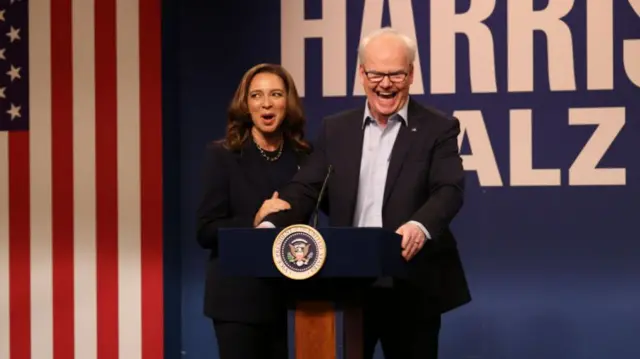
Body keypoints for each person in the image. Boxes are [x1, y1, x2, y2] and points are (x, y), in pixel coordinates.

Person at [258, 27, 471, 359]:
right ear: (361, 74)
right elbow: (305, 189)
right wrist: (271, 225)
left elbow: (449, 188)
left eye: (396, 74)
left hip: (412, 283)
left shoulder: (437, 128)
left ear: (411, 74)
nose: (385, 83)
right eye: (375, 73)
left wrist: (420, 225)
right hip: (351, 283)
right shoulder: (336, 128)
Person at [196, 63, 312, 359]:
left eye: (275, 94)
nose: (266, 103)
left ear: (288, 102)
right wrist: (254, 219)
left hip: (290, 299)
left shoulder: (304, 156)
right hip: (238, 300)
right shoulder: (223, 155)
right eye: (257, 95)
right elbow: (206, 230)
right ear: (246, 105)